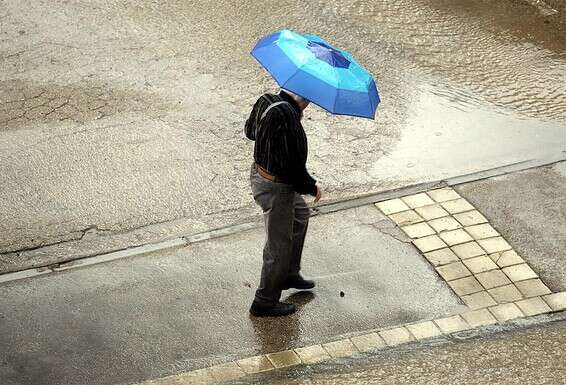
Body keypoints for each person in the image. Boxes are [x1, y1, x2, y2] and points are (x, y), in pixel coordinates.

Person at [244, 88, 321, 317]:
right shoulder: (289, 119)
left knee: (300, 215)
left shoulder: (266, 100)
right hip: (277, 187)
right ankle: (264, 301)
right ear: (304, 101)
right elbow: (294, 169)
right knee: (278, 245)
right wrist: (312, 186)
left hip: (260, 175)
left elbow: (250, 132)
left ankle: (287, 273)